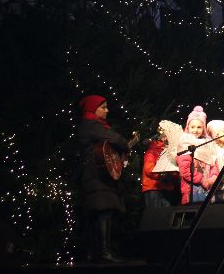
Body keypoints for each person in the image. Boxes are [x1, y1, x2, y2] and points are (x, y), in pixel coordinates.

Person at [76, 95, 130, 263]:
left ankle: (96, 253)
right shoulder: (91, 125)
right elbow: (115, 139)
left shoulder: (93, 126)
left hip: (98, 176)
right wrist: (124, 144)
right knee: (103, 210)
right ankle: (103, 253)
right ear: (93, 109)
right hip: (96, 177)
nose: (107, 110)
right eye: (103, 107)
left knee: (101, 211)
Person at [176, 106, 219, 204]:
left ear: (203, 128)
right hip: (192, 189)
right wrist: (202, 180)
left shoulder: (208, 144)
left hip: (208, 188)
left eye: (199, 127)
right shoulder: (185, 143)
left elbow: (214, 165)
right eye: (193, 127)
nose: (195, 130)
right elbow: (185, 171)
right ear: (188, 127)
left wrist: (212, 179)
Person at [141, 133, 179, 207]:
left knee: (165, 212)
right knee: (155, 212)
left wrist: (174, 176)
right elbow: (149, 169)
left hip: (166, 188)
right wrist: (163, 176)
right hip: (153, 187)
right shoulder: (152, 151)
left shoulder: (171, 152)